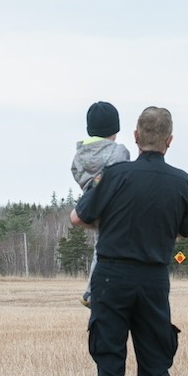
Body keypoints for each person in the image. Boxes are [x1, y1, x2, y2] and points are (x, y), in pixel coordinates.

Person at [70, 106, 188, 376]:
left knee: (109, 359)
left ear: (136, 137)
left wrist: (112, 225)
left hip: (111, 277)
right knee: (155, 358)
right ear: (170, 141)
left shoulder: (113, 175)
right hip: (154, 279)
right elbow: (185, 231)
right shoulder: (182, 182)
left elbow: (78, 217)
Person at [71, 101, 130, 307]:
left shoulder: (80, 153)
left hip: (90, 198)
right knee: (107, 246)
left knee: (100, 243)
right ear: (115, 128)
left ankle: (91, 290)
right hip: (111, 200)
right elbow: (123, 173)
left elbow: (77, 174)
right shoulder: (119, 151)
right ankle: (93, 291)